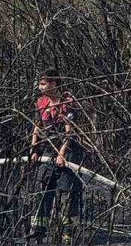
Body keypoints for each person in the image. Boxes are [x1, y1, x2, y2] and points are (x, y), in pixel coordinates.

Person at [26, 68, 84, 245]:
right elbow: (36, 126)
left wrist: (62, 153)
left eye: (43, 83)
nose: (40, 87)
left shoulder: (67, 103)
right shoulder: (41, 102)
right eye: (40, 83)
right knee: (43, 187)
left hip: (68, 152)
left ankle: (68, 232)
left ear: (54, 83)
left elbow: (69, 132)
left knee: (67, 191)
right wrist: (34, 148)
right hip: (48, 151)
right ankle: (38, 230)